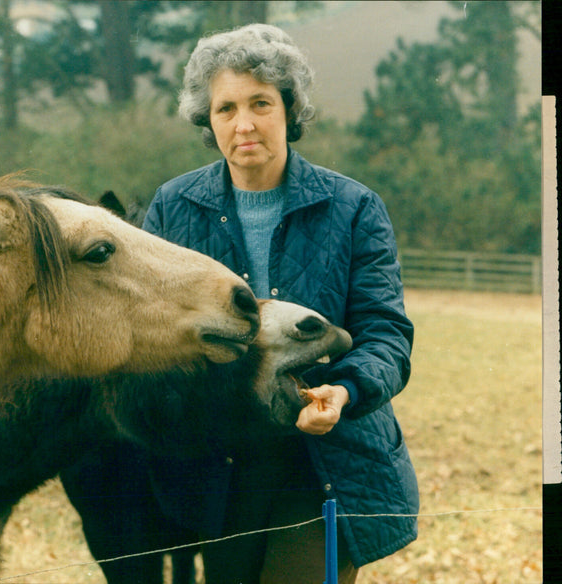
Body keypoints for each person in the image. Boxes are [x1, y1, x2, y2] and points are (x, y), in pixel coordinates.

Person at [61, 23, 418, 584]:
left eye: (260, 103)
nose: (243, 123)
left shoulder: (354, 208)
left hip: (323, 459)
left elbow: (387, 336)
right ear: (208, 120)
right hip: (219, 467)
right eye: (225, 108)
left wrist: (344, 390)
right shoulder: (173, 207)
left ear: (289, 109)